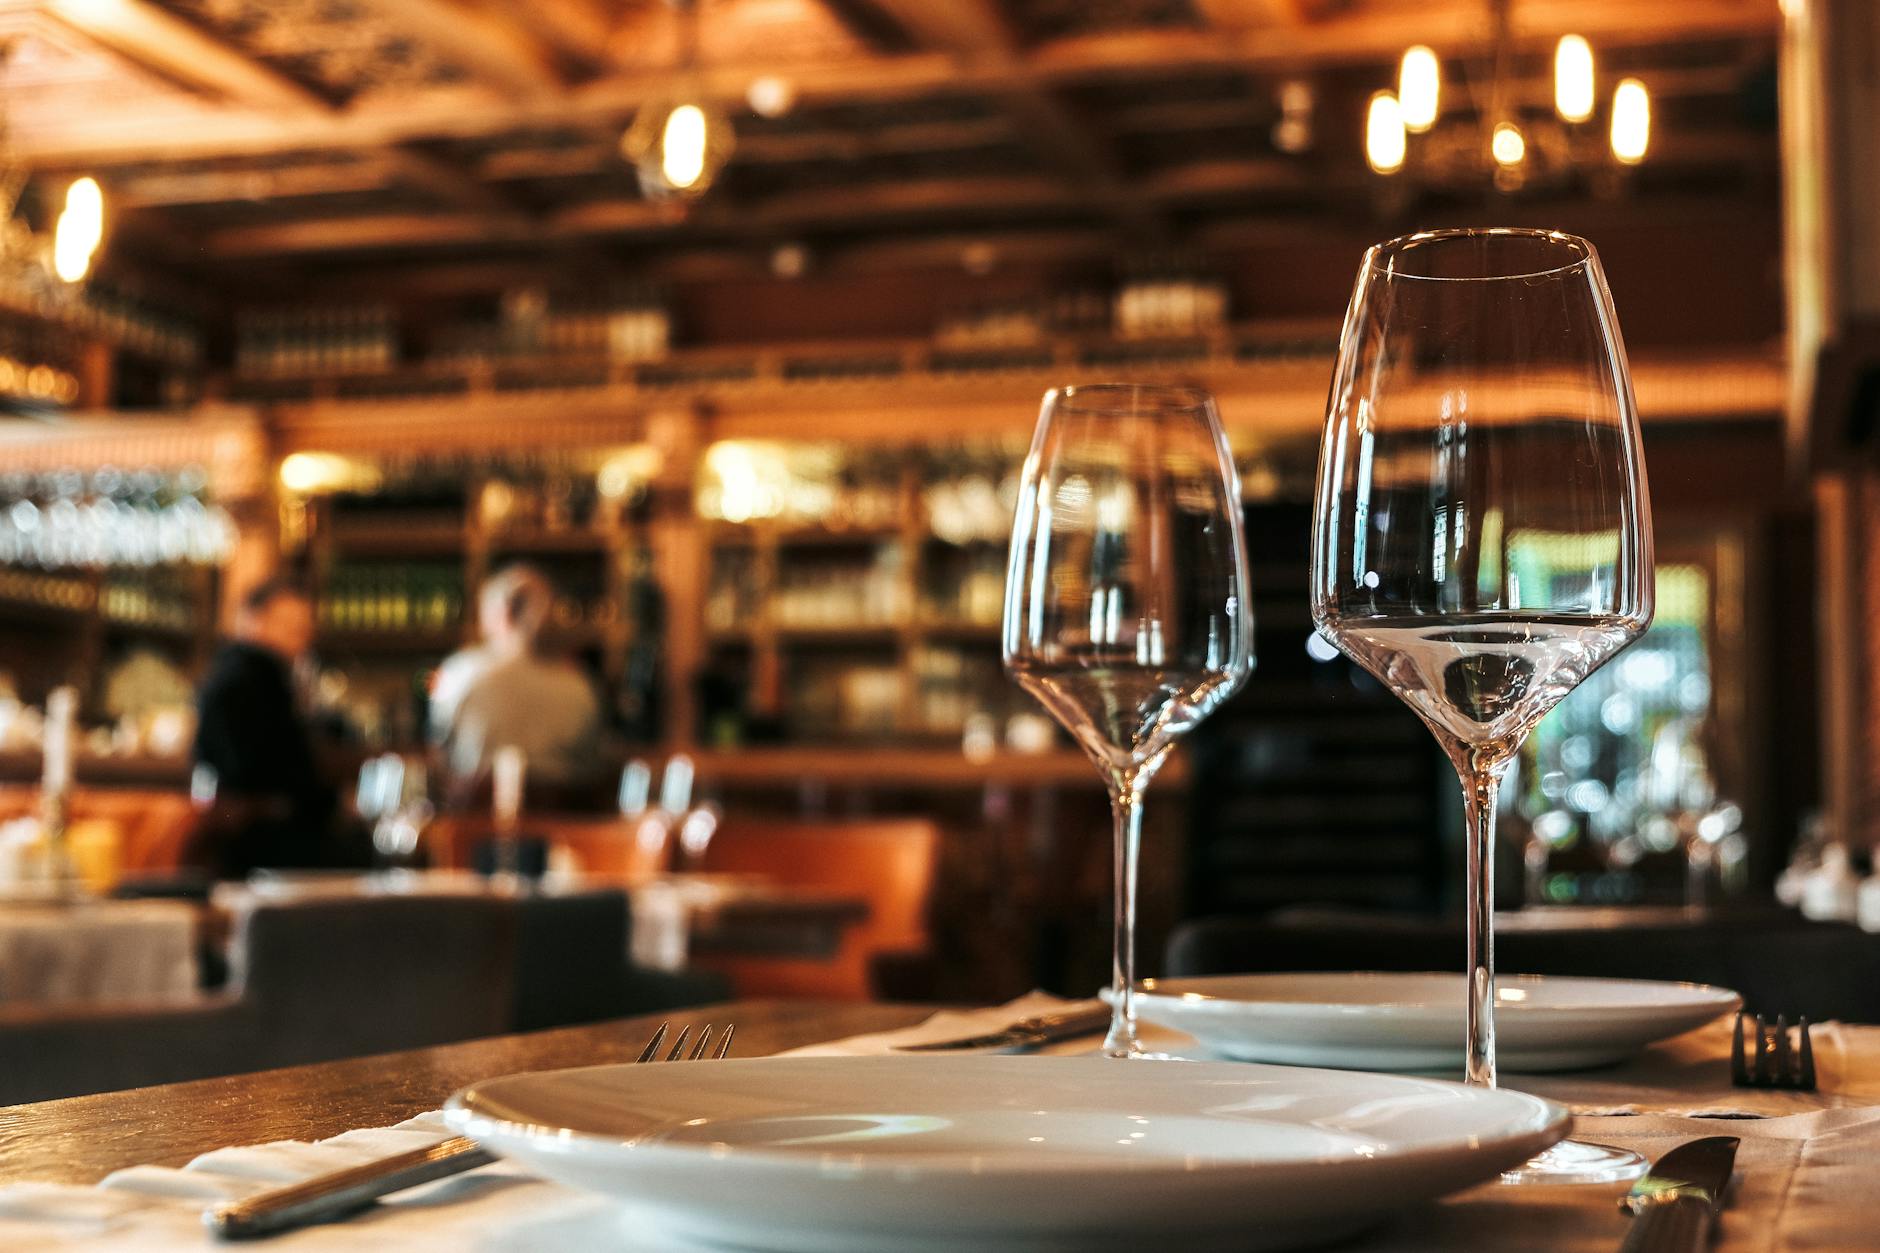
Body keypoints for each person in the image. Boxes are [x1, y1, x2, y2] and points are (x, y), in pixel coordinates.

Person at [191, 578, 340, 877]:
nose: (300, 638)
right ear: (251, 621)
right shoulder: (253, 678)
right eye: (287, 625)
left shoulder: (246, 674)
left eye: (304, 628)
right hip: (261, 843)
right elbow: (263, 771)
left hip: (246, 840)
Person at [430, 565, 603, 790]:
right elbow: (593, 764)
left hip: (471, 820)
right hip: (564, 821)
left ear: (503, 612)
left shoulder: (460, 673)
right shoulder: (580, 686)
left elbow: (438, 753)